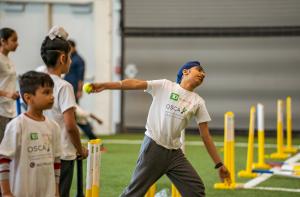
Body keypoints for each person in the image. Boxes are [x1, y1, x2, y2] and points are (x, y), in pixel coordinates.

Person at [89, 61, 231, 197]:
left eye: (204, 74)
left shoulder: (198, 101)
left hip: (175, 155)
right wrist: (105, 85)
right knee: (134, 193)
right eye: (199, 70)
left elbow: (205, 136)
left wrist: (219, 165)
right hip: (153, 148)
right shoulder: (165, 86)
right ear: (185, 71)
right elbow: (135, 83)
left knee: (196, 189)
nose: (203, 74)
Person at [41, 26, 88, 197]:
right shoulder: (64, 86)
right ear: (63, 58)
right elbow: (70, 125)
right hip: (63, 153)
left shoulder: (38, 80)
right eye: (69, 57)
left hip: (41, 151)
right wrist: (79, 148)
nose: (70, 60)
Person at [0, 71, 61, 197]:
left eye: (51, 92)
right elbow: (3, 159)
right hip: (21, 192)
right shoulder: (17, 125)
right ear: (28, 98)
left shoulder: (54, 127)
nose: (52, 96)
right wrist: (6, 192)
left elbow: (56, 161)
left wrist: (56, 191)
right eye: (46, 92)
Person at [0, 27, 20, 142]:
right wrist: (7, 94)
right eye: (14, 40)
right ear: (3, 41)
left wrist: (13, 93)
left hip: (10, 109)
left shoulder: (8, 60)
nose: (17, 44)